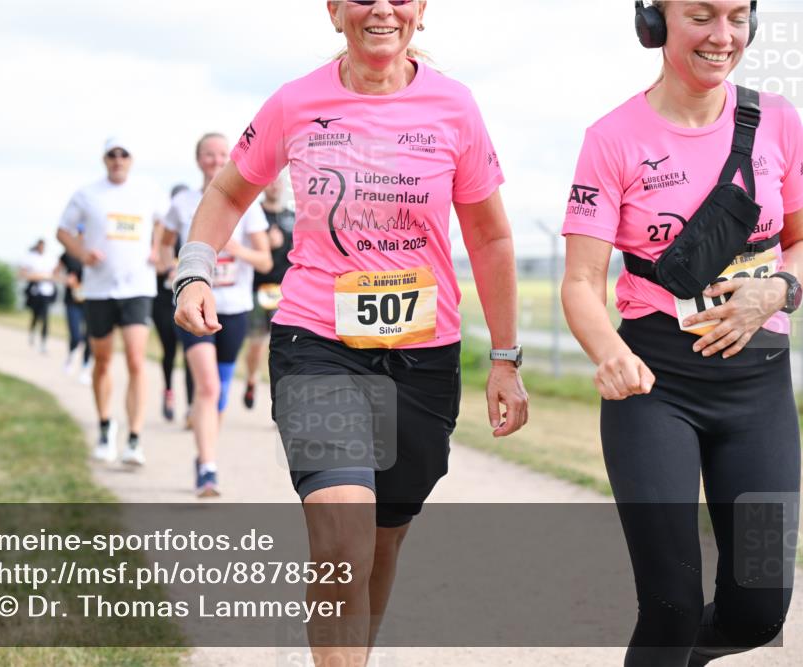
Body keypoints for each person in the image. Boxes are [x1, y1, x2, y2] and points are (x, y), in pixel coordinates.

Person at [173, 1, 527, 661]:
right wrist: (194, 270)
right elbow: (227, 193)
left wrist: (504, 359)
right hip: (318, 346)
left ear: (421, 11)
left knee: (382, 540)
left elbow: (489, 236)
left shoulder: (455, 106)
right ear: (335, 11)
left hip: (422, 359)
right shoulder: (296, 102)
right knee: (343, 539)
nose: (382, 9)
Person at [560, 2, 801, 665]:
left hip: (759, 389)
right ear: (655, 22)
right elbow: (580, 280)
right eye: (700, 15)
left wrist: (780, 288)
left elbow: (800, 242)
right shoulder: (612, 137)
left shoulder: (779, 120)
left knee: (759, 609)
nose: (722, 36)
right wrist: (609, 353)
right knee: (670, 605)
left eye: (737, 17)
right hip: (655, 387)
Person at [162, 133, 272, 497]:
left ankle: (205, 452)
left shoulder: (249, 203)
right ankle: (208, 468)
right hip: (194, 306)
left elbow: (265, 260)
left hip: (234, 308)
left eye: (222, 154)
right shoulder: (182, 202)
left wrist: (236, 249)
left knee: (220, 389)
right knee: (207, 385)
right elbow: (164, 245)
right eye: (209, 154)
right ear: (198, 160)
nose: (215, 160)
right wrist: (169, 267)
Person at [56, 137, 168, 466]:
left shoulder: (148, 191)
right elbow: (62, 231)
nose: (118, 159)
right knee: (102, 360)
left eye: (124, 154)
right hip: (99, 289)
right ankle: (106, 428)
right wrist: (82, 254)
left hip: (138, 287)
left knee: (136, 359)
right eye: (112, 154)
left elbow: (166, 222)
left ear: (132, 159)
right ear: (104, 159)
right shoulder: (88, 194)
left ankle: (134, 438)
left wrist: (156, 247)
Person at [243, 175, 295, 409]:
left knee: (282, 348)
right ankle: (252, 378)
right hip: (258, 288)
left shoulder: (292, 217)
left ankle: (280, 401)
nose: (274, 186)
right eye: (270, 181)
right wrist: (266, 242)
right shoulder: (255, 215)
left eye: (277, 182)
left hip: (284, 292)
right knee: (257, 344)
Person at [151, 183, 193, 422]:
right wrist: (169, 269)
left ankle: (191, 406)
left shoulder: (194, 229)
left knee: (190, 351)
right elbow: (152, 260)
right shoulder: (159, 231)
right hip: (164, 299)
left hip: (186, 297)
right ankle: (168, 391)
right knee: (169, 349)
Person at [57, 230, 93, 382]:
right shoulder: (68, 254)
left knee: (90, 336)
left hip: (91, 300)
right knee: (75, 334)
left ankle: (85, 368)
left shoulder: (95, 252)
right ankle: (71, 356)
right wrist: (66, 279)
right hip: (72, 300)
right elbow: (55, 273)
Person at [20, 238, 59, 354]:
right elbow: (23, 273)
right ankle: (32, 332)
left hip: (47, 292)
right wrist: (38, 277)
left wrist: (48, 277)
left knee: (45, 318)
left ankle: (43, 342)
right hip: (35, 292)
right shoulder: (31, 258)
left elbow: (55, 274)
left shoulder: (50, 258)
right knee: (35, 315)